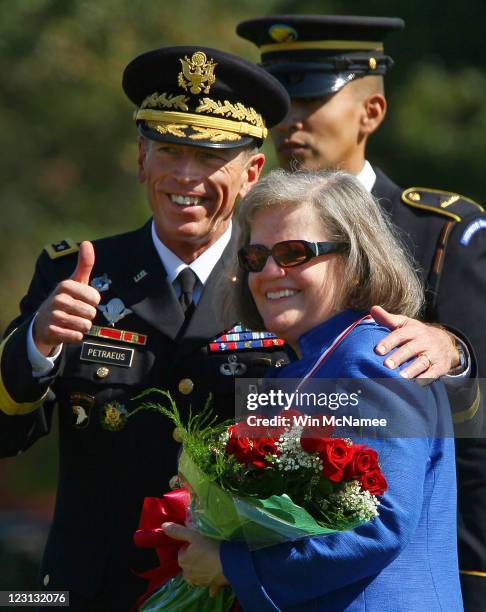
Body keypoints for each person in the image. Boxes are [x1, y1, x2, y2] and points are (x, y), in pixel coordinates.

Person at [0, 42, 460, 610]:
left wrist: (451, 348)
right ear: (141, 158)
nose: (186, 176)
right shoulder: (78, 275)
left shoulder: (290, 294)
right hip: (88, 591)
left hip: (238, 592)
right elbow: (7, 433)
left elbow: (400, 449)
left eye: (211, 156)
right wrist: (36, 345)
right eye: (169, 149)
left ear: (252, 172)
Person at [237, 14, 486, 608]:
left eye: (310, 99)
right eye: (279, 106)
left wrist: (454, 354)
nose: (289, 123)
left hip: (417, 565)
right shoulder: (255, 227)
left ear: (370, 113)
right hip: (300, 568)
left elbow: (450, 448)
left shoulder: (439, 229)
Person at [164, 169, 463, 611]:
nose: (269, 271)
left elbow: (380, 525)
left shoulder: (374, 356)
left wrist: (233, 565)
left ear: (355, 262)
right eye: (255, 256)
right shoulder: (305, 366)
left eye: (294, 253)